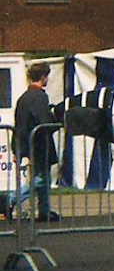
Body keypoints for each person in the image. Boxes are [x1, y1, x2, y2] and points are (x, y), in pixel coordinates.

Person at [13, 63, 60, 221]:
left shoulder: (23, 98)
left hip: (27, 143)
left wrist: (17, 148)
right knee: (40, 179)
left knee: (43, 177)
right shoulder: (39, 96)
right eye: (46, 76)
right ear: (42, 77)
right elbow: (43, 120)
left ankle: (45, 210)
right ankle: (12, 198)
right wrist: (55, 121)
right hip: (40, 143)